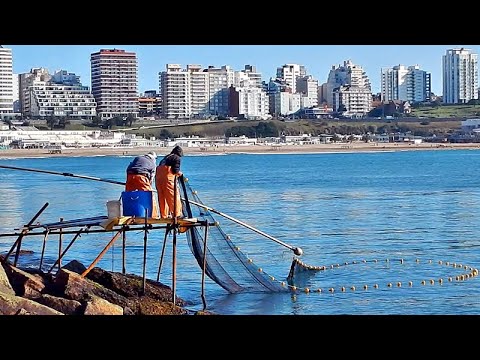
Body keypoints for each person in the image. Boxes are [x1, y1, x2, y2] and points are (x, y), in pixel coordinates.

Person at [125, 151, 159, 218]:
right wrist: (149, 184)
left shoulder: (138, 158)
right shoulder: (152, 163)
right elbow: (152, 176)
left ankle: (129, 214)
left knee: (129, 195)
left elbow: (129, 167)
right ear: (153, 158)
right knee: (149, 195)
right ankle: (153, 215)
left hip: (130, 176)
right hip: (141, 177)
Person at [155, 145, 184, 219]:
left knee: (162, 197)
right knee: (173, 196)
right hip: (167, 178)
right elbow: (175, 170)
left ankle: (164, 215)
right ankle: (177, 214)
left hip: (158, 178)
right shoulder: (176, 158)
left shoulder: (166, 157)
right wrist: (179, 173)